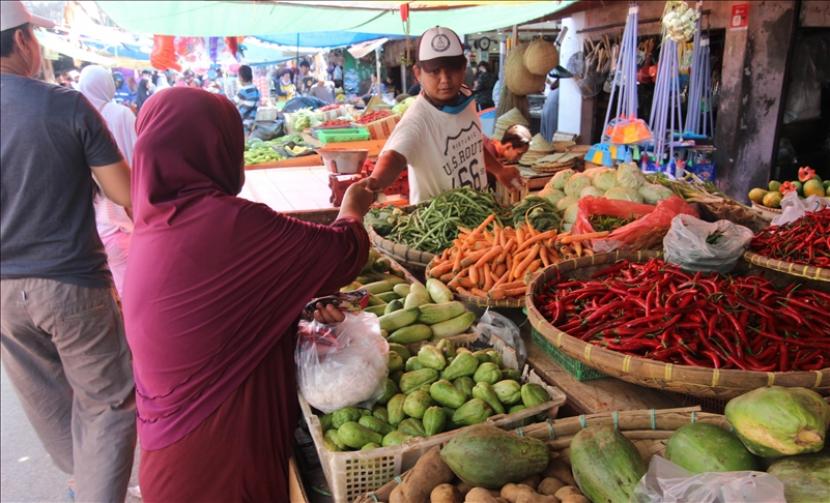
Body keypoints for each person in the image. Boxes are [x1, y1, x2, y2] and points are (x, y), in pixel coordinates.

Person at [123, 87, 374, 501]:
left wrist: (299, 309)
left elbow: (218, 316)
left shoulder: (155, 225)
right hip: (220, 458)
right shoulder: (228, 224)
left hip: (170, 455)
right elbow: (343, 254)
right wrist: (352, 208)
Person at [0, 3, 136, 501]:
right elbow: (123, 191)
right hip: (71, 284)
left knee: (46, 396)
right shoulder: (66, 105)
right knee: (106, 403)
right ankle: (97, 490)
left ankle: (84, 481)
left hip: (3, 293)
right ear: (21, 42)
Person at [367, 26, 520, 204]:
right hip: (439, 227)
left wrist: (499, 170)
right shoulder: (417, 120)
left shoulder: (465, 98)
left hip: (478, 216)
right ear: (418, 74)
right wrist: (373, 184)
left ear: (463, 68)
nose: (445, 79)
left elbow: (473, 143)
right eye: (435, 71)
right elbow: (393, 157)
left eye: (452, 69)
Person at [78, 65, 137, 298]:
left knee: (114, 283)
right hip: (124, 210)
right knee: (130, 283)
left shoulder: (78, 115)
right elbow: (137, 155)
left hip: (98, 217)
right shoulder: (121, 113)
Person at [236, 64, 260, 131]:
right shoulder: (255, 89)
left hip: (243, 123)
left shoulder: (243, 91)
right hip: (252, 121)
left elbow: (232, 103)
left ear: (241, 77)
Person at [541, 76, 560, 142]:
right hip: (552, 111)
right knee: (550, 139)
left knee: (546, 139)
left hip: (548, 110)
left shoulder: (554, 91)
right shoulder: (559, 92)